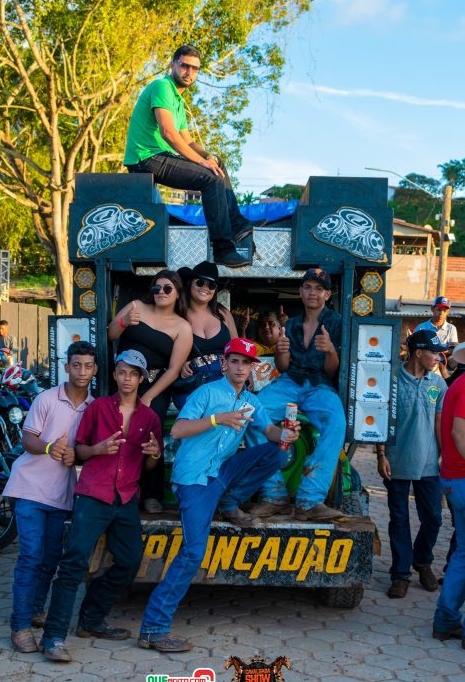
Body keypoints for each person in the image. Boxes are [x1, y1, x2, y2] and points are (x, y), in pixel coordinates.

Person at [137, 337, 299, 652]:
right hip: (195, 480)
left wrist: (286, 434)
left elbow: (268, 432)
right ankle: (153, 629)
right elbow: (178, 430)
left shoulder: (252, 400)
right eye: (235, 361)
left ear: (254, 367)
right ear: (225, 364)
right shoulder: (207, 393)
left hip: (221, 474)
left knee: (276, 454)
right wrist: (218, 419)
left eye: (246, 362)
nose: (240, 367)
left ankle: (228, 501)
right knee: (194, 552)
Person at [40, 350, 162, 662]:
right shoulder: (98, 409)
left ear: (141, 379)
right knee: (74, 564)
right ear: (115, 375)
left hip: (124, 498)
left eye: (134, 374)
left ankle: (91, 619)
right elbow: (78, 452)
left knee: (130, 562)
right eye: (122, 372)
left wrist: (153, 454)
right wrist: (97, 448)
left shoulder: (149, 418)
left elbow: (149, 466)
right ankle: (53, 637)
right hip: (93, 494)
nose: (127, 379)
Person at [124, 44, 266, 268]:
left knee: (217, 163)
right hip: (144, 158)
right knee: (209, 177)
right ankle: (222, 249)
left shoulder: (178, 100)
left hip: (159, 155)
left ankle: (237, 225)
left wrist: (209, 156)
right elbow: (168, 133)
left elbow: (188, 140)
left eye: (195, 69)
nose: (189, 72)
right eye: (185, 66)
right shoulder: (162, 87)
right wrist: (201, 162)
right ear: (173, 65)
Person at [4, 341, 97, 653]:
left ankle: (34, 611)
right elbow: (27, 437)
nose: (81, 371)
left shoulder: (94, 408)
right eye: (76, 365)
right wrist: (48, 447)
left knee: (50, 560)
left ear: (94, 370)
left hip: (60, 494)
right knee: (30, 556)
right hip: (29, 487)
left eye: (87, 366)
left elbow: (86, 453)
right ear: (66, 367)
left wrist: (77, 456)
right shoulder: (46, 399)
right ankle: (19, 626)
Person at [246, 268, 346, 521]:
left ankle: (309, 500)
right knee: (250, 412)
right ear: (301, 292)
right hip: (290, 381)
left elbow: (332, 370)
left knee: (336, 422)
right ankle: (274, 494)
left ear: (327, 294)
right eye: (308, 287)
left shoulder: (337, 323)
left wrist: (330, 351)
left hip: (320, 384)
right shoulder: (290, 324)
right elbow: (283, 367)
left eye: (318, 288)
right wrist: (281, 349)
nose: (312, 293)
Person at [108, 270, 193, 512]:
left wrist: (148, 396)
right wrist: (123, 321)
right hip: (123, 381)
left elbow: (175, 369)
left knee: (150, 435)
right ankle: (119, 488)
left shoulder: (182, 327)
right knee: (118, 433)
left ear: (177, 293)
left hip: (153, 386)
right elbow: (110, 334)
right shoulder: (136, 306)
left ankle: (151, 493)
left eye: (168, 288)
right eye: (157, 288)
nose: (161, 293)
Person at [376, 330, 448, 599]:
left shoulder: (438, 384)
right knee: (399, 519)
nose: (439, 357)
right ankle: (400, 574)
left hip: (430, 464)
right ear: (418, 352)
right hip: (395, 462)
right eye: (434, 352)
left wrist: (445, 457)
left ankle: (423, 560)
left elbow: (440, 422)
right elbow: (379, 418)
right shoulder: (390, 380)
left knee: (433, 519)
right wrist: (381, 454)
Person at [432, 350, 465, 647]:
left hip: (455, 479)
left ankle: (445, 621)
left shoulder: (459, 383)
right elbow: (460, 434)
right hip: (464, 478)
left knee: (464, 554)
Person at [173, 260, 237, 409]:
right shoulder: (178, 314)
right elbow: (165, 348)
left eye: (211, 285)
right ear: (190, 283)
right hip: (193, 380)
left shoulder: (223, 313)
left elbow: (237, 347)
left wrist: (248, 374)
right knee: (197, 418)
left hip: (224, 378)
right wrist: (179, 364)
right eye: (200, 282)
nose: (205, 288)